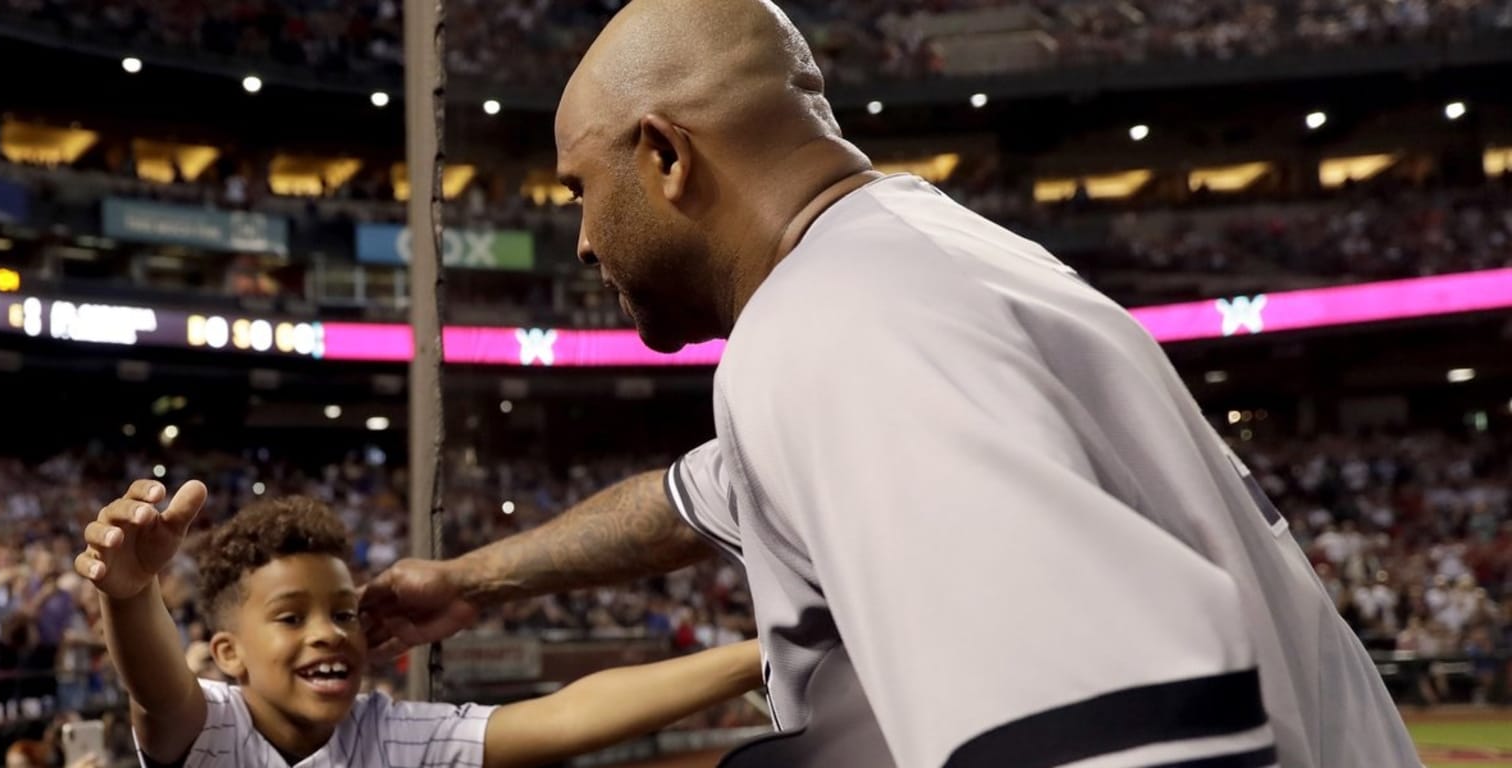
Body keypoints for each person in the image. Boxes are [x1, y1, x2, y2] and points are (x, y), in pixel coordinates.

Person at [364, 0, 1419, 766]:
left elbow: (1124, 745)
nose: (585, 240)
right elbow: (700, 500)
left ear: (665, 156)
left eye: (581, 191)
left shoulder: (841, 326)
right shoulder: (904, 267)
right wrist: (475, 581)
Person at [74, 480, 762, 768]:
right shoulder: (213, 730)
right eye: (291, 617)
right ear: (228, 652)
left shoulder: (390, 734)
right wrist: (131, 595)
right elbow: (158, 692)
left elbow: (567, 716)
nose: (329, 631)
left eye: (344, 613)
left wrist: (760, 654)